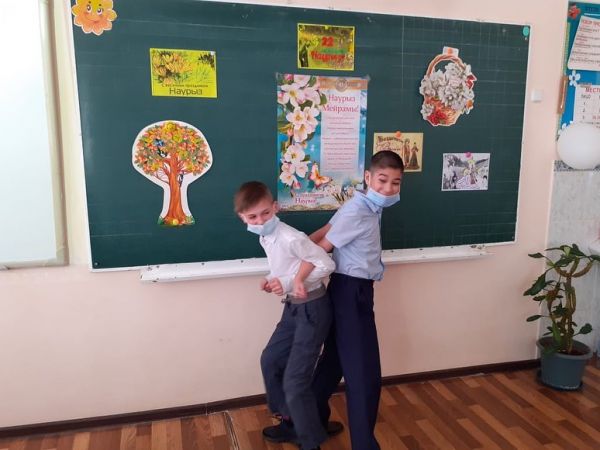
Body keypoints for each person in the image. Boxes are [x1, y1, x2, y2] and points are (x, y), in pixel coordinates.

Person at [309, 150, 404, 450]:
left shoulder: (361, 205)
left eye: (396, 183)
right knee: (365, 374)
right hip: (352, 293)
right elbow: (323, 246)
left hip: (349, 290)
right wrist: (292, 274)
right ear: (368, 177)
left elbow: (325, 230)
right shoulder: (357, 211)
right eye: (382, 180)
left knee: (333, 362)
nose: (388, 189)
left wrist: (299, 249)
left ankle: (304, 424)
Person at [234, 181, 337, 450]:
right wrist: (271, 278)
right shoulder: (265, 237)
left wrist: (289, 282)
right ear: (242, 218)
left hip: (312, 309)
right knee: (270, 360)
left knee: (295, 380)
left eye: (265, 213)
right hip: (292, 307)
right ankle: (291, 421)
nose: (260, 221)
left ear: (275, 208)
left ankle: (310, 441)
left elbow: (326, 263)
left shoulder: (290, 236)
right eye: (253, 217)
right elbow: (287, 266)